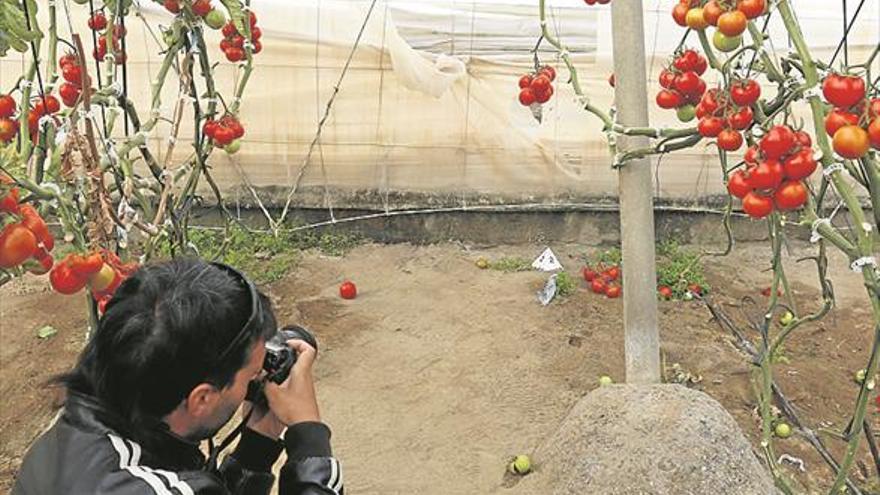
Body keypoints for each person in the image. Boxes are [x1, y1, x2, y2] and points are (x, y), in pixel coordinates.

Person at [13, 258, 344, 494]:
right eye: (251, 375)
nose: (255, 383)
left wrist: (258, 444)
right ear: (201, 398)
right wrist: (309, 437)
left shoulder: (77, 426)